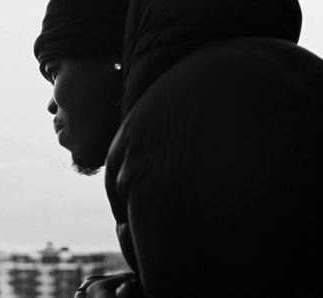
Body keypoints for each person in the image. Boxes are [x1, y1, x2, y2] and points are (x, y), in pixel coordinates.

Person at [35, 0, 323, 297]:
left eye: (53, 72)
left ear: (115, 57)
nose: (51, 104)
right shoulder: (246, 87)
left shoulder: (183, 118)